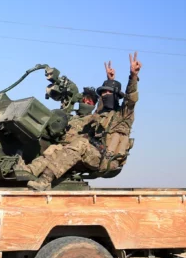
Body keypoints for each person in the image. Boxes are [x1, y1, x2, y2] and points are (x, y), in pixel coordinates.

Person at [19, 52, 141, 190]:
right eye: (103, 94)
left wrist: (133, 76)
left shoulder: (123, 115)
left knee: (81, 144)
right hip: (93, 155)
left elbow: (130, 99)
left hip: (107, 160)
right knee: (56, 148)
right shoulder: (100, 115)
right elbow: (101, 104)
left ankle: (45, 180)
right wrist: (109, 80)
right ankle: (27, 172)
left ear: (116, 96)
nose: (105, 96)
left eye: (108, 93)